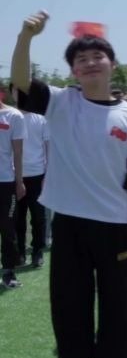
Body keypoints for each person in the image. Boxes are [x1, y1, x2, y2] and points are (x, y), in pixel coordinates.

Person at [13, 11, 127, 358]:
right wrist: (26, 35)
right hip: (69, 222)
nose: (90, 63)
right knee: (70, 302)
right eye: (81, 59)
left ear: (112, 64)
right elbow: (20, 81)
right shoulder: (59, 102)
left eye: (97, 56)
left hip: (114, 223)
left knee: (117, 300)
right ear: (73, 69)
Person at [15, 107, 48, 269]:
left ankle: (37, 252)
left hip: (37, 175)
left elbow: (48, 146)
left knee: (38, 217)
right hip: (14, 176)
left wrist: (48, 174)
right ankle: (19, 253)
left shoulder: (40, 119)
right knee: (17, 218)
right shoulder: (10, 117)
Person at [0, 89, 26, 288]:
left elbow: (18, 153)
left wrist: (19, 181)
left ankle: (8, 271)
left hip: (6, 182)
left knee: (7, 229)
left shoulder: (13, 116)